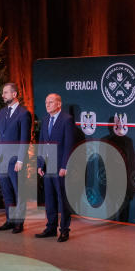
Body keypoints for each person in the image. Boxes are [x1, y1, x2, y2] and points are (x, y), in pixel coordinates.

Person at [0, 83, 32, 233]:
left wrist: (20, 160)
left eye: (6, 92)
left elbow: (24, 139)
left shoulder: (24, 113)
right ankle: (10, 220)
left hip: (15, 161)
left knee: (18, 192)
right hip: (2, 159)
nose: (3, 95)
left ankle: (19, 223)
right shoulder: (2, 112)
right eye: (3, 93)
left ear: (14, 94)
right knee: (7, 191)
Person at [36, 93, 75, 242]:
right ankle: (51, 228)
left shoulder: (67, 119)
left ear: (59, 104)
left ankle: (64, 230)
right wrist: (40, 164)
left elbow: (69, 145)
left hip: (60, 167)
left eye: (51, 102)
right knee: (49, 199)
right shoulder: (45, 119)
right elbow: (41, 143)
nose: (47, 105)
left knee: (62, 200)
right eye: (46, 102)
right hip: (47, 166)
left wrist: (64, 166)